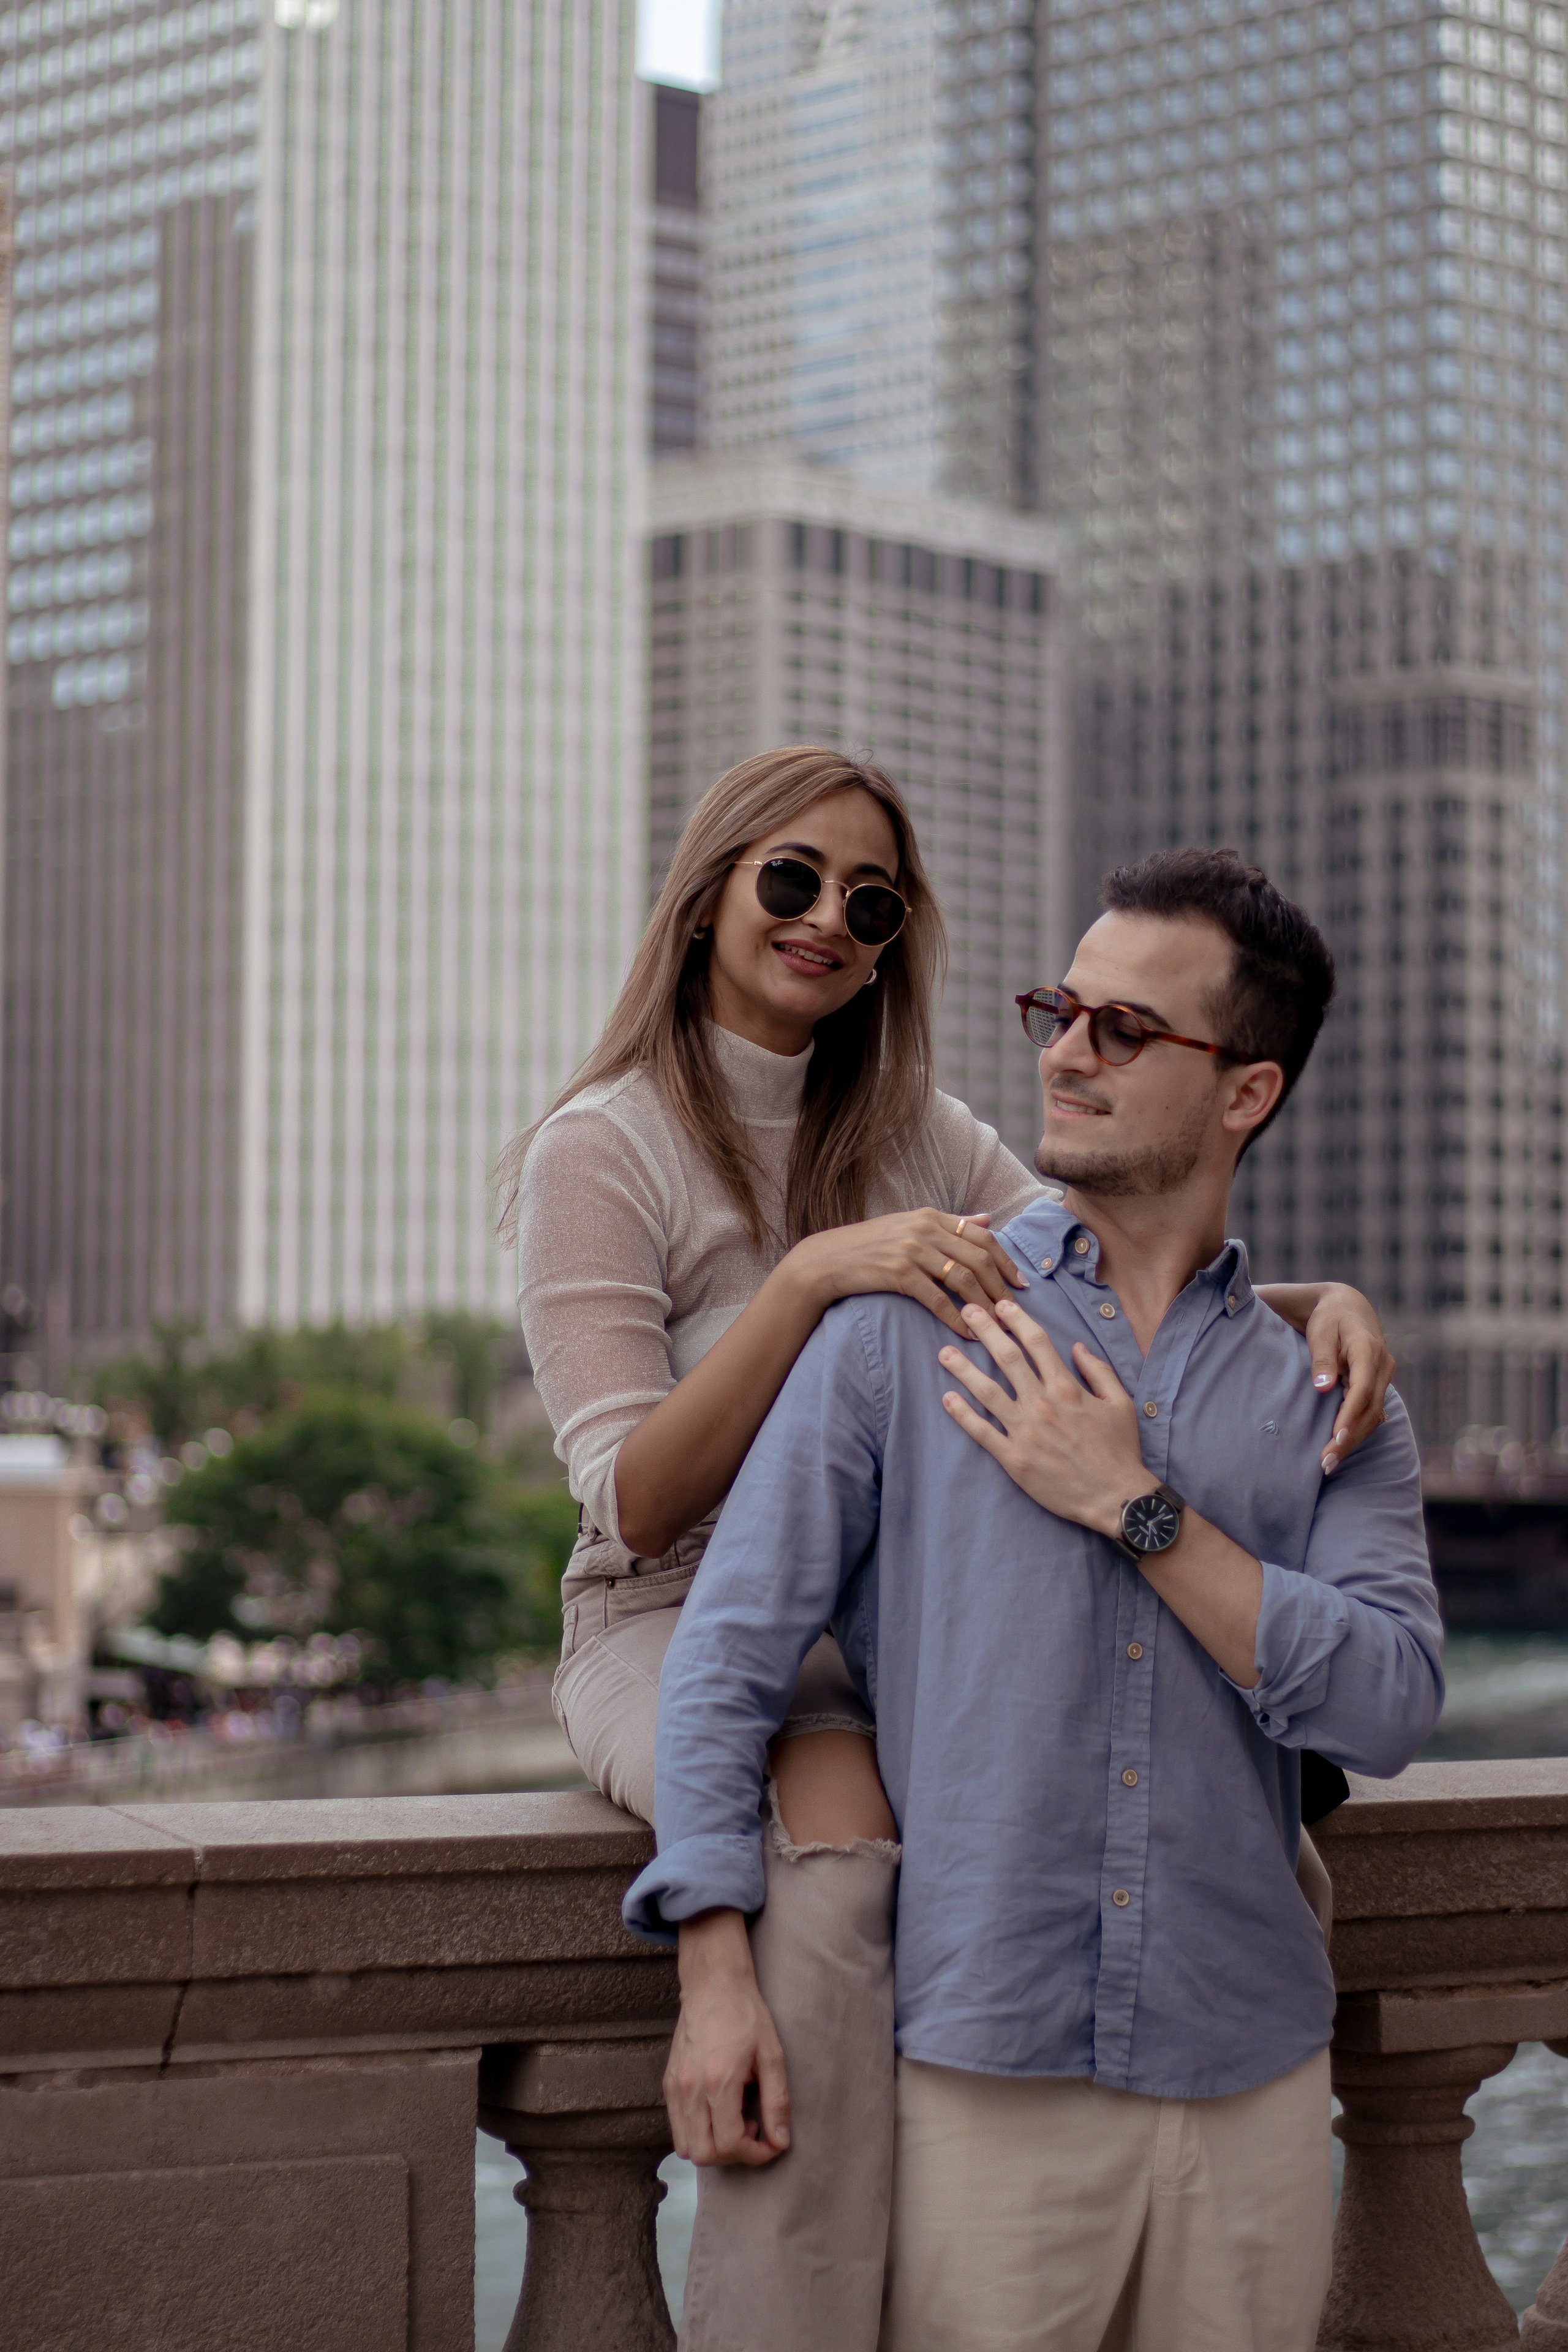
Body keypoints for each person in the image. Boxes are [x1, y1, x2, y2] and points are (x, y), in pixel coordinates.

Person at [503, 756, 1395, 2352]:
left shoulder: (915, 1125)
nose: (827, 921)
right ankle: (800, 2316)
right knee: (836, 1863)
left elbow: (1115, 1263)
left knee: (1236, 1818)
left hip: (885, 1593)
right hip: (670, 1600)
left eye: (871, 900)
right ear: (708, 890)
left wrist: (1313, 1310)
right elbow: (626, 1498)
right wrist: (816, 1280)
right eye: (791, 880)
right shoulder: (602, 1146)